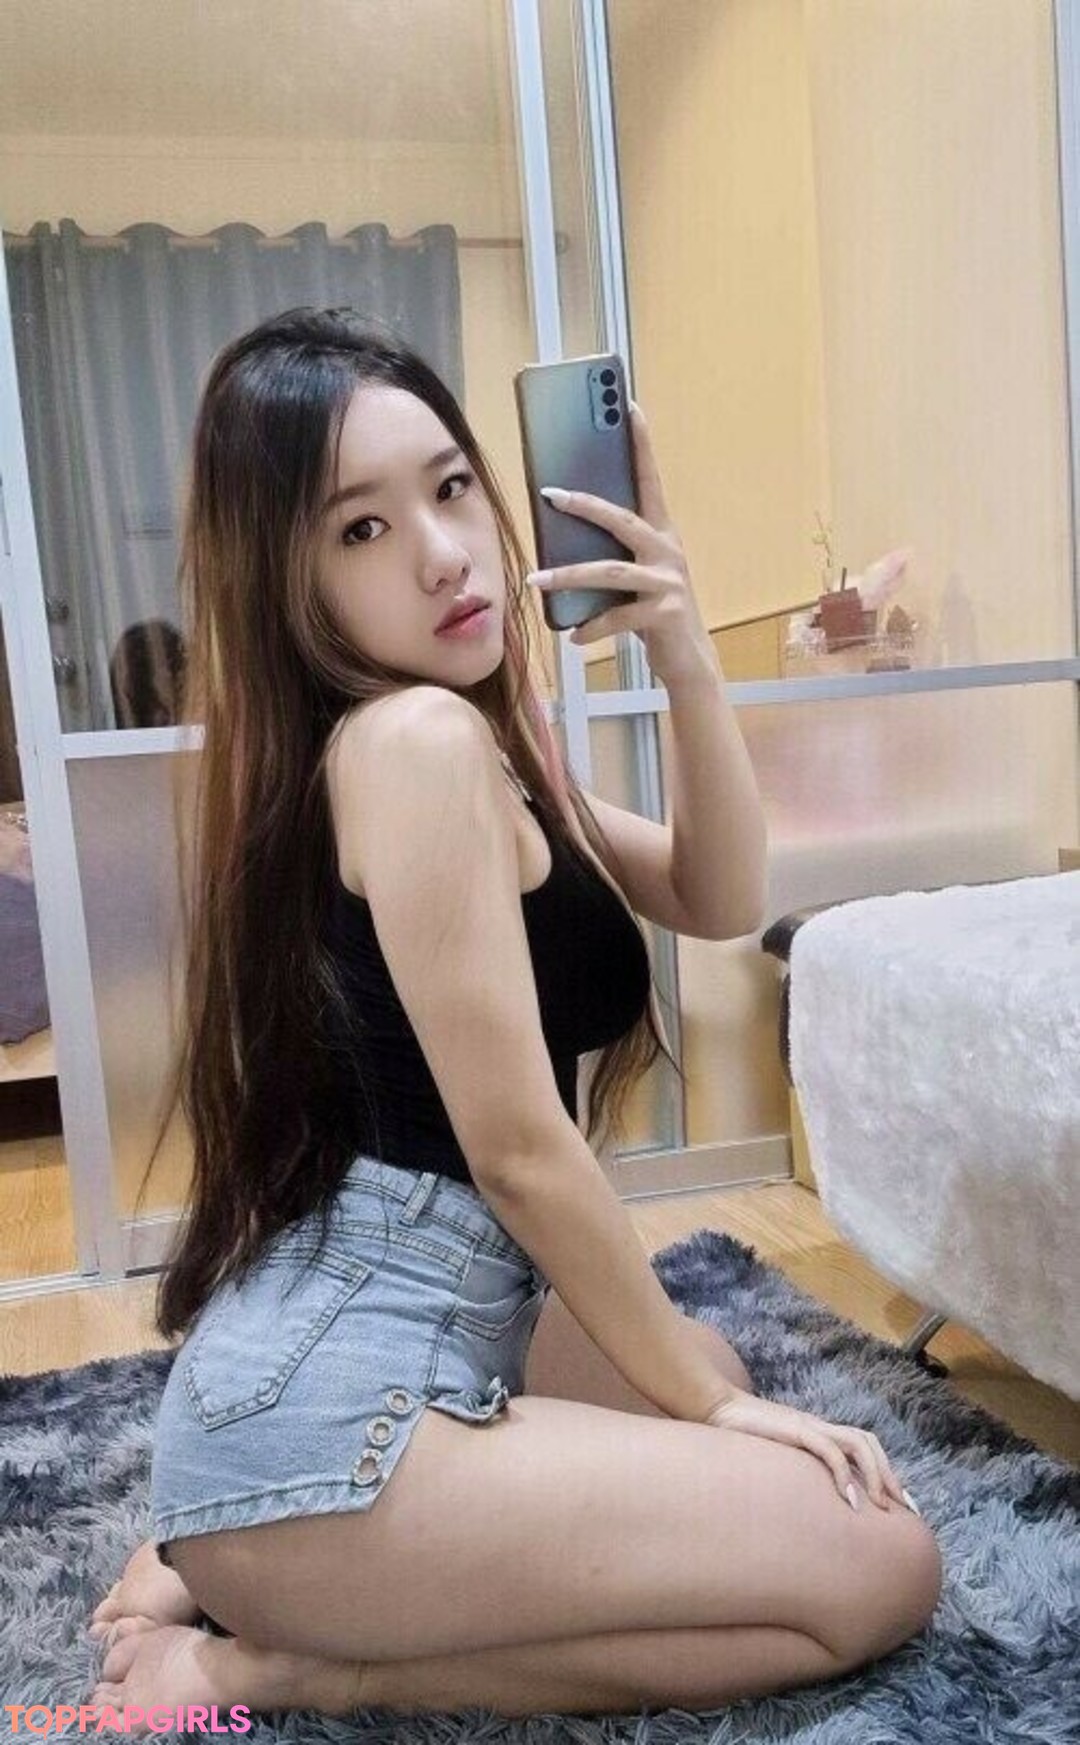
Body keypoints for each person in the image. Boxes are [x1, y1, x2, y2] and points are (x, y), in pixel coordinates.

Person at [87, 306, 941, 1727]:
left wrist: (682, 645)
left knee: (702, 1367)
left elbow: (719, 893)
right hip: (334, 1418)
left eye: (450, 486)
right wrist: (721, 1421)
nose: (440, 551)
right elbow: (520, 1151)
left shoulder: (480, 742)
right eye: (361, 529)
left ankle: (225, 1555)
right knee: (877, 1563)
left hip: (413, 1320)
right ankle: (273, 1653)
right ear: (289, 584)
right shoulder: (413, 744)